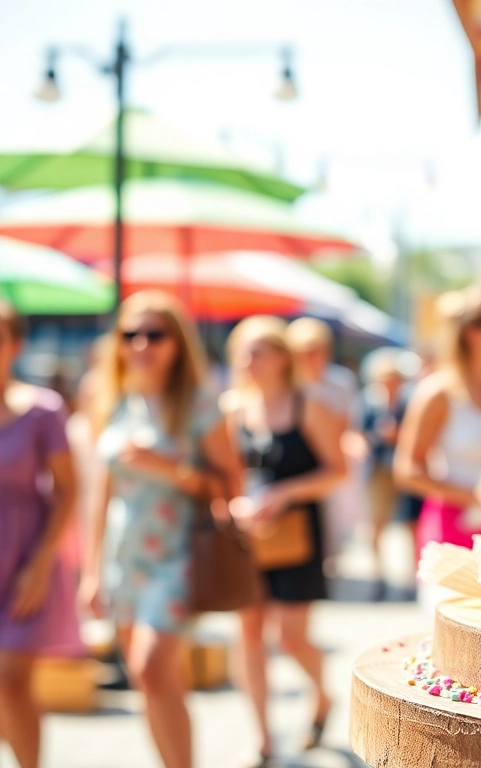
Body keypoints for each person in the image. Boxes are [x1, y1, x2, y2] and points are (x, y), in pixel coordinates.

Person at [82, 291, 243, 768]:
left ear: (178, 342)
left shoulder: (198, 405)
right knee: (148, 676)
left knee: (151, 667)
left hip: (178, 554)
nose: (142, 344)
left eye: (155, 334)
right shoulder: (111, 398)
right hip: (123, 556)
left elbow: (230, 485)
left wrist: (170, 468)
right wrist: (90, 572)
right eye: (130, 334)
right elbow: (100, 493)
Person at [223, 317, 346, 764]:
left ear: (281, 358)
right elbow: (225, 475)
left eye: (257, 350)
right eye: (242, 350)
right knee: (249, 634)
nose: (246, 360)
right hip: (247, 535)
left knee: (291, 637)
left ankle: (321, 695)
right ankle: (262, 737)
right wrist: (234, 504)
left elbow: (338, 469)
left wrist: (283, 493)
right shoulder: (232, 409)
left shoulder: (306, 406)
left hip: (296, 535)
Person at [394, 291, 481, 553]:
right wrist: (472, 496)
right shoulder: (437, 393)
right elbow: (407, 470)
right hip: (456, 533)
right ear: (474, 334)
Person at [0, 302, 80, 768]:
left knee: (11, 681)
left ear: (15, 345)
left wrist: (42, 561)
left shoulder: (43, 411)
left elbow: (68, 491)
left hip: (25, 558)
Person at [285, 318, 363, 571]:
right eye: (303, 351)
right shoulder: (288, 384)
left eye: (315, 350)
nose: (310, 357)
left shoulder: (341, 382)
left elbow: (350, 423)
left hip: (332, 458)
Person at [361, 350, 418, 598]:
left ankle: (412, 579)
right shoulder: (369, 402)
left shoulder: (411, 402)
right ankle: (378, 576)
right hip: (378, 468)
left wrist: (399, 437)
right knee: (376, 523)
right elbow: (358, 432)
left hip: (404, 468)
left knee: (410, 524)